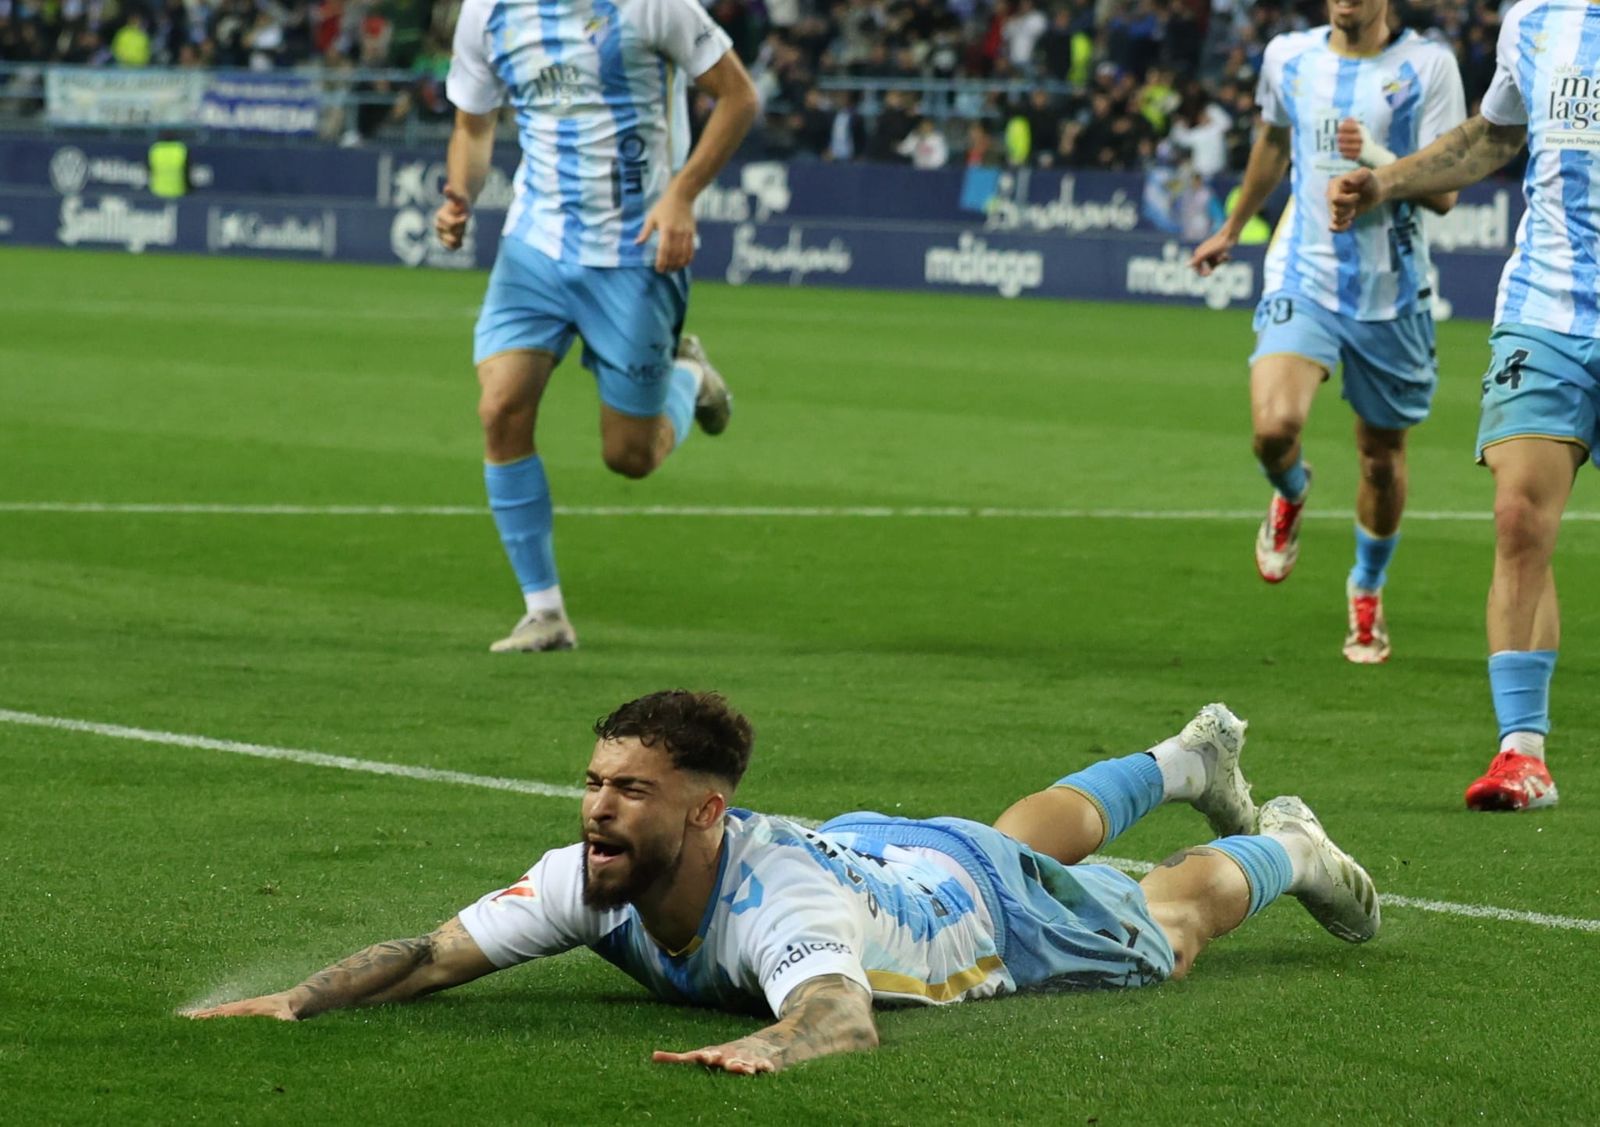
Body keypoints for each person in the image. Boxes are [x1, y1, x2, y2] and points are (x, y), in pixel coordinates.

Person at [186, 692, 1380, 1073]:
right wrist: (295, 1000)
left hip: (977, 911)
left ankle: (1292, 847)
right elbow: (436, 952)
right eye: (596, 779)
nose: (600, 804)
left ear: (704, 810)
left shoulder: (780, 908)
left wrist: (770, 1046)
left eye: (630, 789)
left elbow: (841, 1014)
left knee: (1163, 926)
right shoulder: (590, 871)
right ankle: (1183, 760)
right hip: (892, 853)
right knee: (1008, 828)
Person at [434, 0, 759, 653]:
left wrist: (682, 195)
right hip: (535, 246)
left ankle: (687, 376)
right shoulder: (488, 13)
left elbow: (739, 98)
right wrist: (458, 194)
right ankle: (544, 611)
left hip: (635, 252)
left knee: (629, 457)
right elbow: (474, 125)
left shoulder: (651, 6)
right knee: (500, 408)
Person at [1327, 0, 1588, 811]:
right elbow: (1493, 135)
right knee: (1518, 517)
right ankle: (1522, 752)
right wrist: (1386, 181)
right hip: (1546, 309)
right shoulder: (1536, 19)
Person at [1189, 0, 1465, 664]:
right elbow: (1275, 141)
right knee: (1273, 429)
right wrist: (1233, 226)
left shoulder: (1428, 67)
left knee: (1380, 457)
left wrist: (1371, 158)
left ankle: (1366, 587)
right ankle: (1291, 490)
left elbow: (1447, 188)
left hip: (1391, 293)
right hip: (1302, 276)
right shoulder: (1289, 56)